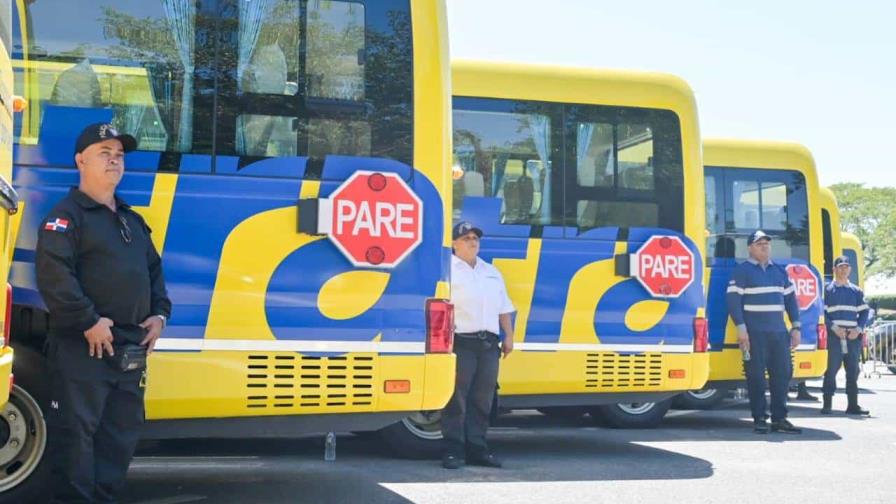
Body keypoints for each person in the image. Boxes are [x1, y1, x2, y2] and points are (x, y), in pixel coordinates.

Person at [36, 122, 171, 503]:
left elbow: (154, 273)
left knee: (119, 437)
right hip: (83, 348)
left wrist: (160, 316)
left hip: (129, 349)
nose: (114, 160)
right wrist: (88, 321)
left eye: (119, 155)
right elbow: (54, 277)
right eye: (104, 154)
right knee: (75, 440)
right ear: (81, 161)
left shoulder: (131, 220)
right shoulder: (66, 217)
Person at [441, 221, 515, 469]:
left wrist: (509, 335)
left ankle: (478, 449)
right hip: (461, 342)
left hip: (488, 344)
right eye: (466, 238)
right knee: (456, 400)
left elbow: (504, 307)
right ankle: (453, 451)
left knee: (482, 400)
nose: (472, 242)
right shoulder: (446, 270)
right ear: (453, 243)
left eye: (475, 238)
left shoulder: (490, 271)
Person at [726, 230, 803, 434]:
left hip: (779, 334)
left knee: (783, 374)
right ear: (750, 248)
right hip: (754, 335)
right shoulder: (742, 271)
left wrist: (796, 327)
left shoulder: (779, 271)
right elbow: (733, 302)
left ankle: (779, 419)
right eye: (759, 244)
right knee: (756, 377)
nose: (764, 247)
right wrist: (741, 328)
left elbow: (791, 302)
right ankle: (759, 418)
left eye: (767, 243)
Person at [821, 256, 870, 415]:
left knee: (853, 370)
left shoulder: (856, 291)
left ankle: (853, 406)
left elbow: (864, 312)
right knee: (832, 370)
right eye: (840, 267)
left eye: (846, 267)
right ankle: (827, 404)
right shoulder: (827, 290)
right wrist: (834, 328)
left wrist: (859, 329)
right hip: (835, 336)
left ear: (849, 269)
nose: (843, 270)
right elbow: (822, 313)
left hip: (852, 337)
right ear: (834, 270)